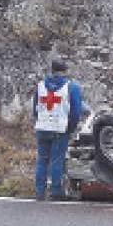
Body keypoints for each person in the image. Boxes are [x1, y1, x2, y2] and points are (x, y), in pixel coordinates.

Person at [33, 58, 83, 201]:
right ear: (65, 71)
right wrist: (70, 128)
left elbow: (35, 108)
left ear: (52, 70)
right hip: (60, 128)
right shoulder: (71, 87)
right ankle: (56, 191)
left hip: (42, 126)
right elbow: (75, 111)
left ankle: (39, 191)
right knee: (57, 160)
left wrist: (40, 120)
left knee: (42, 159)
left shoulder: (40, 86)